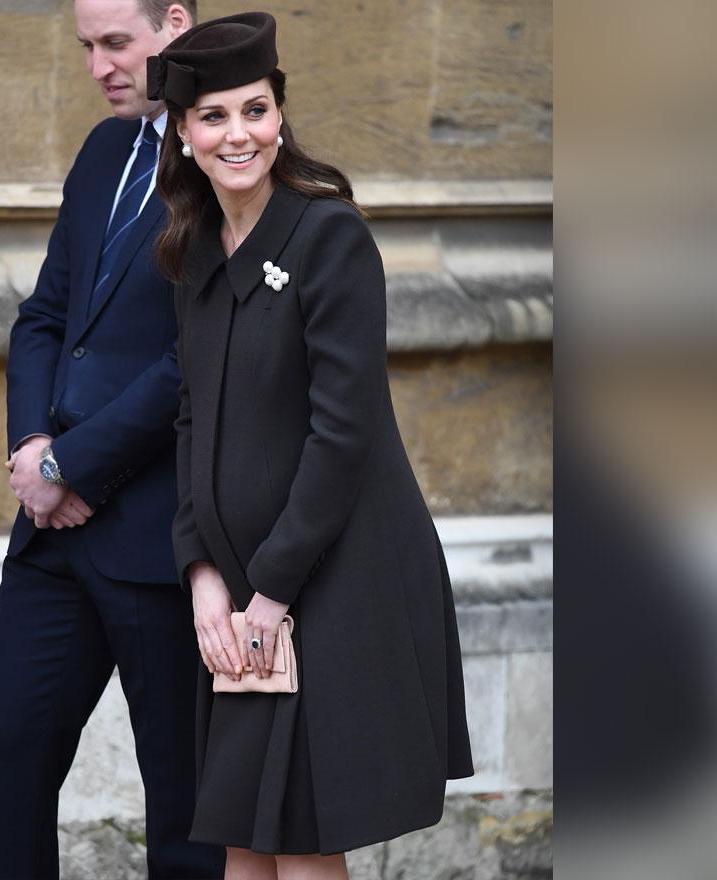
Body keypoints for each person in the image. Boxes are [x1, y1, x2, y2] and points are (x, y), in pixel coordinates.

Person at [148, 12, 475, 879]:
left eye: (254, 110)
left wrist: (269, 596)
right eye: (213, 117)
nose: (237, 134)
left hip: (327, 582)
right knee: (245, 843)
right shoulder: (191, 252)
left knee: (300, 844)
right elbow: (190, 422)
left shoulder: (329, 236)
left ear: (280, 116)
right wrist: (204, 575)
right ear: (183, 132)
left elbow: (343, 434)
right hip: (243, 592)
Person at [0, 2, 225, 878]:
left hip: (159, 538)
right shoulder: (101, 151)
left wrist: (74, 466)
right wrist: (36, 446)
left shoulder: (231, 157)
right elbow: (45, 315)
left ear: (176, 24)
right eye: (85, 47)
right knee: (6, 760)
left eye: (116, 43)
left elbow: (195, 357)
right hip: (52, 536)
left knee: (184, 812)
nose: (97, 67)